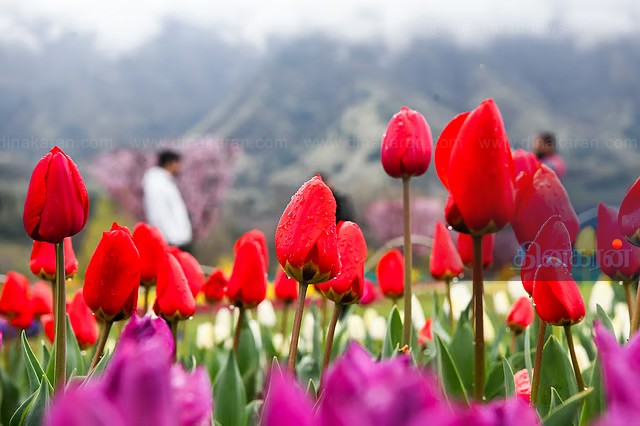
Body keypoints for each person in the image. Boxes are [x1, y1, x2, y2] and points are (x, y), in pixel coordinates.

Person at [143, 150, 193, 252]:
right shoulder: (157, 184)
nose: (179, 167)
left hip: (176, 240)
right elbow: (157, 214)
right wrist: (169, 240)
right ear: (169, 163)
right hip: (171, 242)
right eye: (177, 163)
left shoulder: (165, 182)